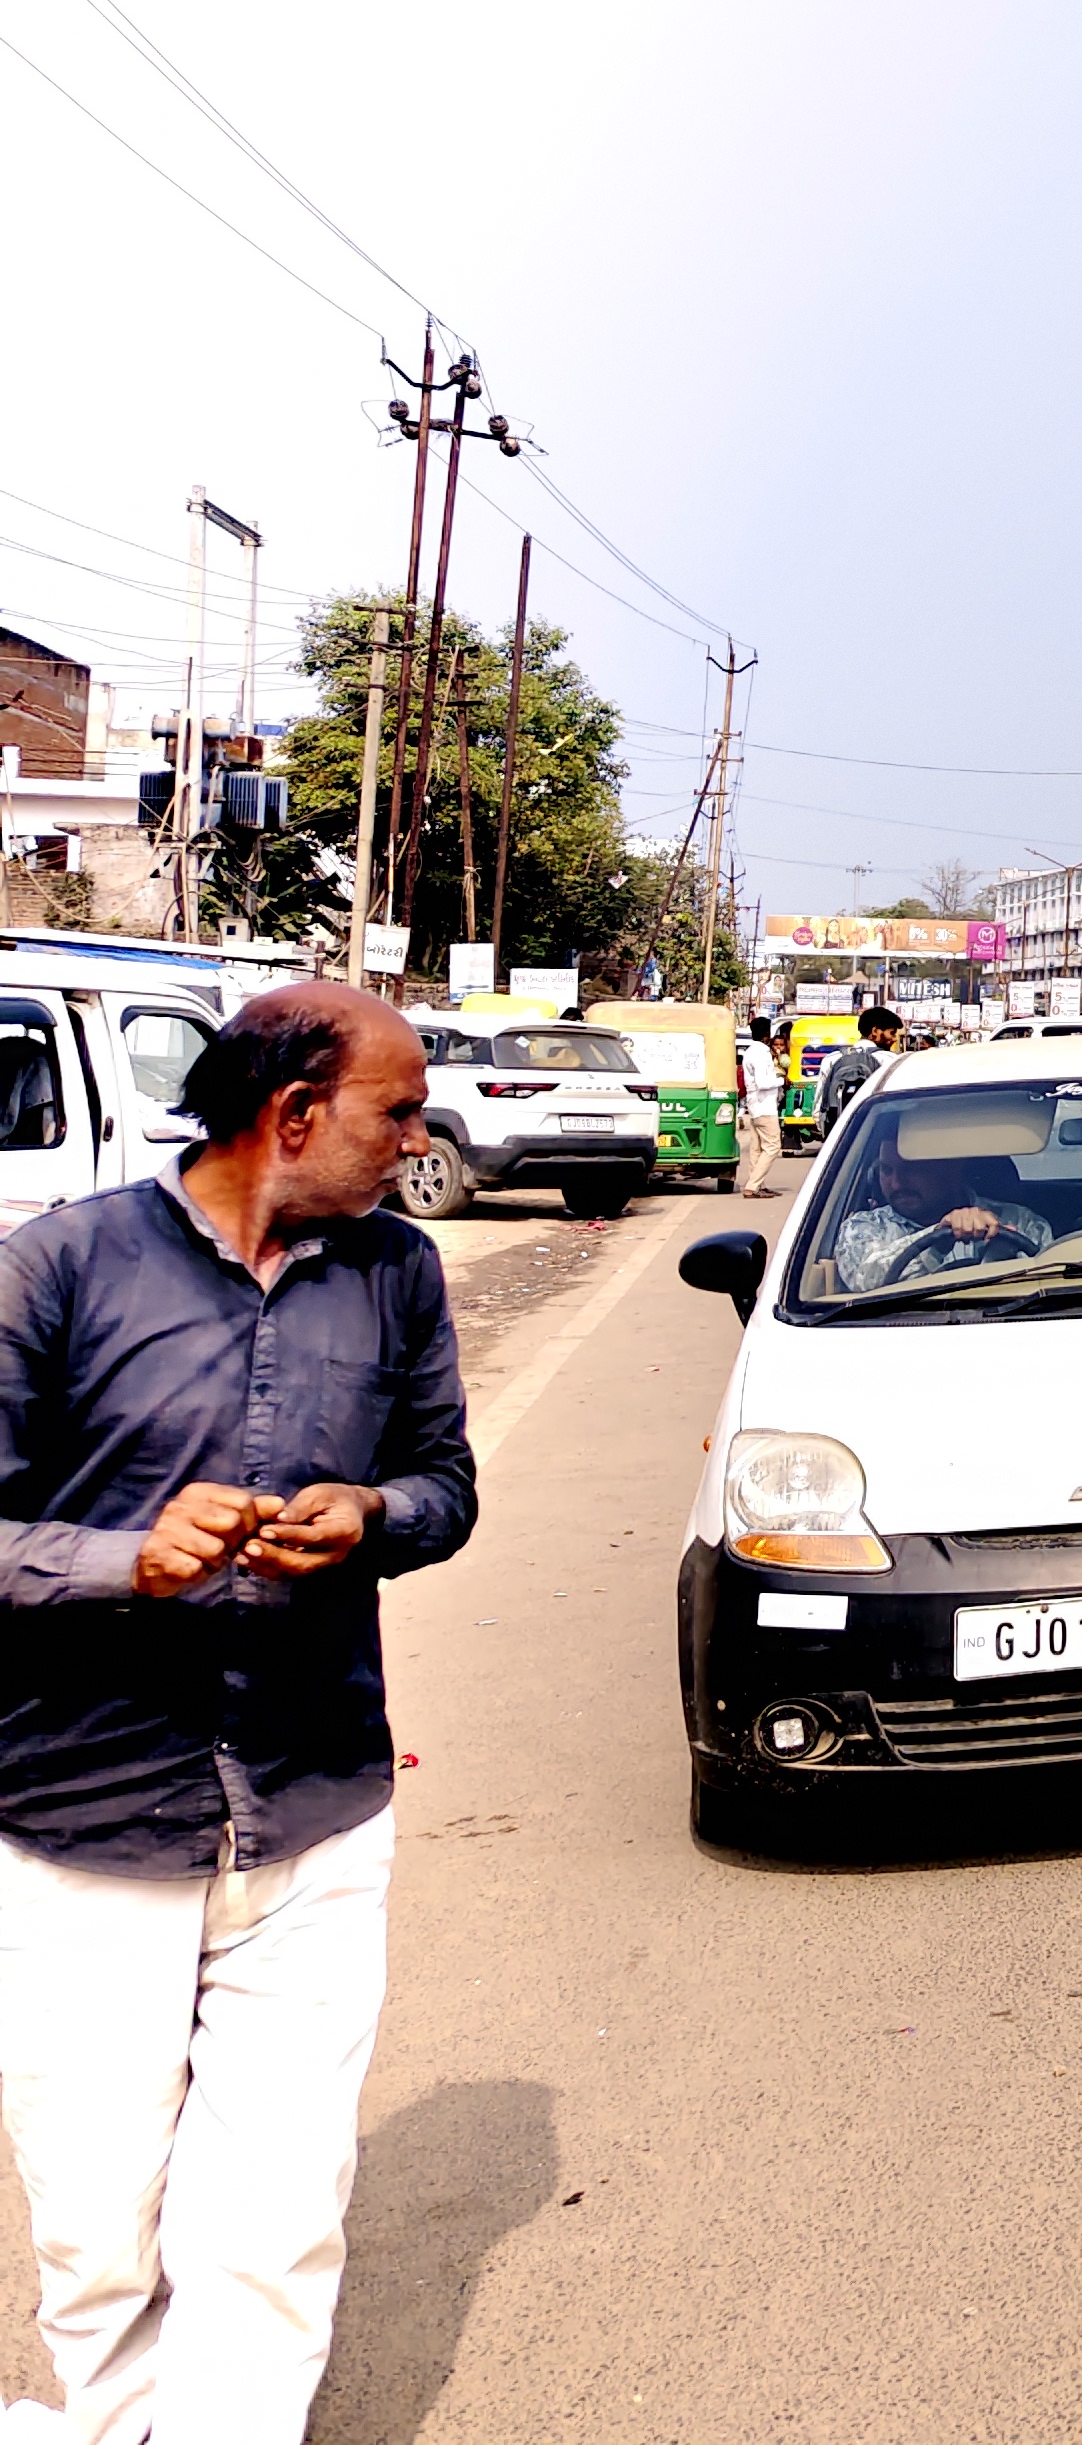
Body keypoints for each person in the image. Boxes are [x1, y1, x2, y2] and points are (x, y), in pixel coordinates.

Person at [0, 982, 478, 2443]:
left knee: (275, 2216)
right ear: (291, 1116)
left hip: (315, 1806)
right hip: (89, 1822)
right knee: (99, 2222)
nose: (416, 1136)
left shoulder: (397, 1273)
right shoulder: (58, 1269)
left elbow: (448, 1484)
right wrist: (121, 1560)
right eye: (393, 1111)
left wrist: (374, 1512)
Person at [828, 1144, 1055, 1295]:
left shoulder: (1020, 1220)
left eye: (912, 1169)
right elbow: (865, 1282)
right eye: (886, 1170)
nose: (896, 1183)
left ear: (953, 1167)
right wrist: (937, 1238)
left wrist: (1004, 1256)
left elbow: (1051, 1286)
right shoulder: (863, 1227)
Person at [812, 1006, 905, 1139]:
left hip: (839, 1135)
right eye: (892, 1032)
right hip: (877, 1134)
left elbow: (819, 1106)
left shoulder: (832, 1058)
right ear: (875, 1031)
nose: (894, 1038)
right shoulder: (890, 1060)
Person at [732, 1025, 784, 1200]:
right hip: (765, 1106)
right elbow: (763, 1082)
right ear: (766, 1035)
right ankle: (753, 1186)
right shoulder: (762, 1053)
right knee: (773, 1146)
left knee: (757, 1148)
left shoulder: (749, 1052)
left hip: (754, 1105)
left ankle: (758, 1184)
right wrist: (780, 1080)